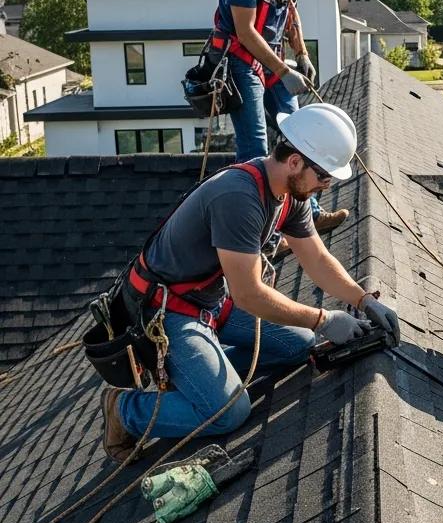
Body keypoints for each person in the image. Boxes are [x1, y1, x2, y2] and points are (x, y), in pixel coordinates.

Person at [100, 103, 400, 461]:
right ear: (294, 162)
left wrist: (364, 299)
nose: (326, 185)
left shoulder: (289, 194)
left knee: (300, 344)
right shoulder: (239, 198)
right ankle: (126, 410)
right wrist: (325, 319)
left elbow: (317, 258)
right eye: (323, 176)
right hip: (168, 312)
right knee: (229, 411)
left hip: (209, 301)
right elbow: (248, 294)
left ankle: (202, 376)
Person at [212, 0, 347, 233]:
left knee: (301, 136)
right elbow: (244, 32)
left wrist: (301, 53)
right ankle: (264, 232)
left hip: (274, 61)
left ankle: (309, 215)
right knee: (257, 147)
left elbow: (289, 10)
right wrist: (283, 70)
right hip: (242, 63)